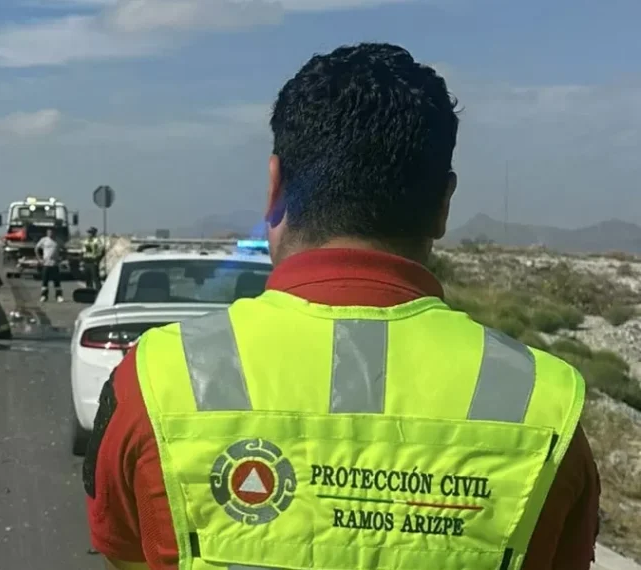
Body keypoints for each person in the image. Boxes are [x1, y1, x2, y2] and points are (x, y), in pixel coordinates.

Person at [84, 42, 600, 570]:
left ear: (275, 187)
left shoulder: (155, 380)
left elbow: (126, 554)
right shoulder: (543, 405)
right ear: (444, 204)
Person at [35, 228, 63, 302]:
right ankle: (44, 296)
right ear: (47, 233)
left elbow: (64, 249)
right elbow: (36, 248)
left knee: (57, 281)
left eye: (51, 232)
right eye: (49, 232)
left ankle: (58, 296)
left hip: (55, 264)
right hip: (46, 264)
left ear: (54, 233)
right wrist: (39, 259)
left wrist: (61, 258)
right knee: (45, 281)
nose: (50, 234)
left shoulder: (58, 241)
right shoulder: (44, 240)